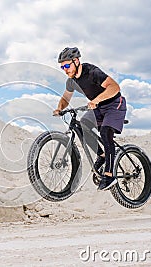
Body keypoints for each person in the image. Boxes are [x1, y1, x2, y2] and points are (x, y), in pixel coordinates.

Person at [53, 47, 127, 191]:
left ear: (76, 61)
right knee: (81, 127)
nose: (65, 69)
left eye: (67, 65)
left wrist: (96, 100)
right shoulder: (71, 81)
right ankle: (103, 154)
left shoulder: (92, 72)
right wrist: (59, 109)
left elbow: (114, 87)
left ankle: (109, 175)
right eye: (62, 67)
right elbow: (65, 98)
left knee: (105, 132)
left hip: (114, 104)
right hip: (97, 108)